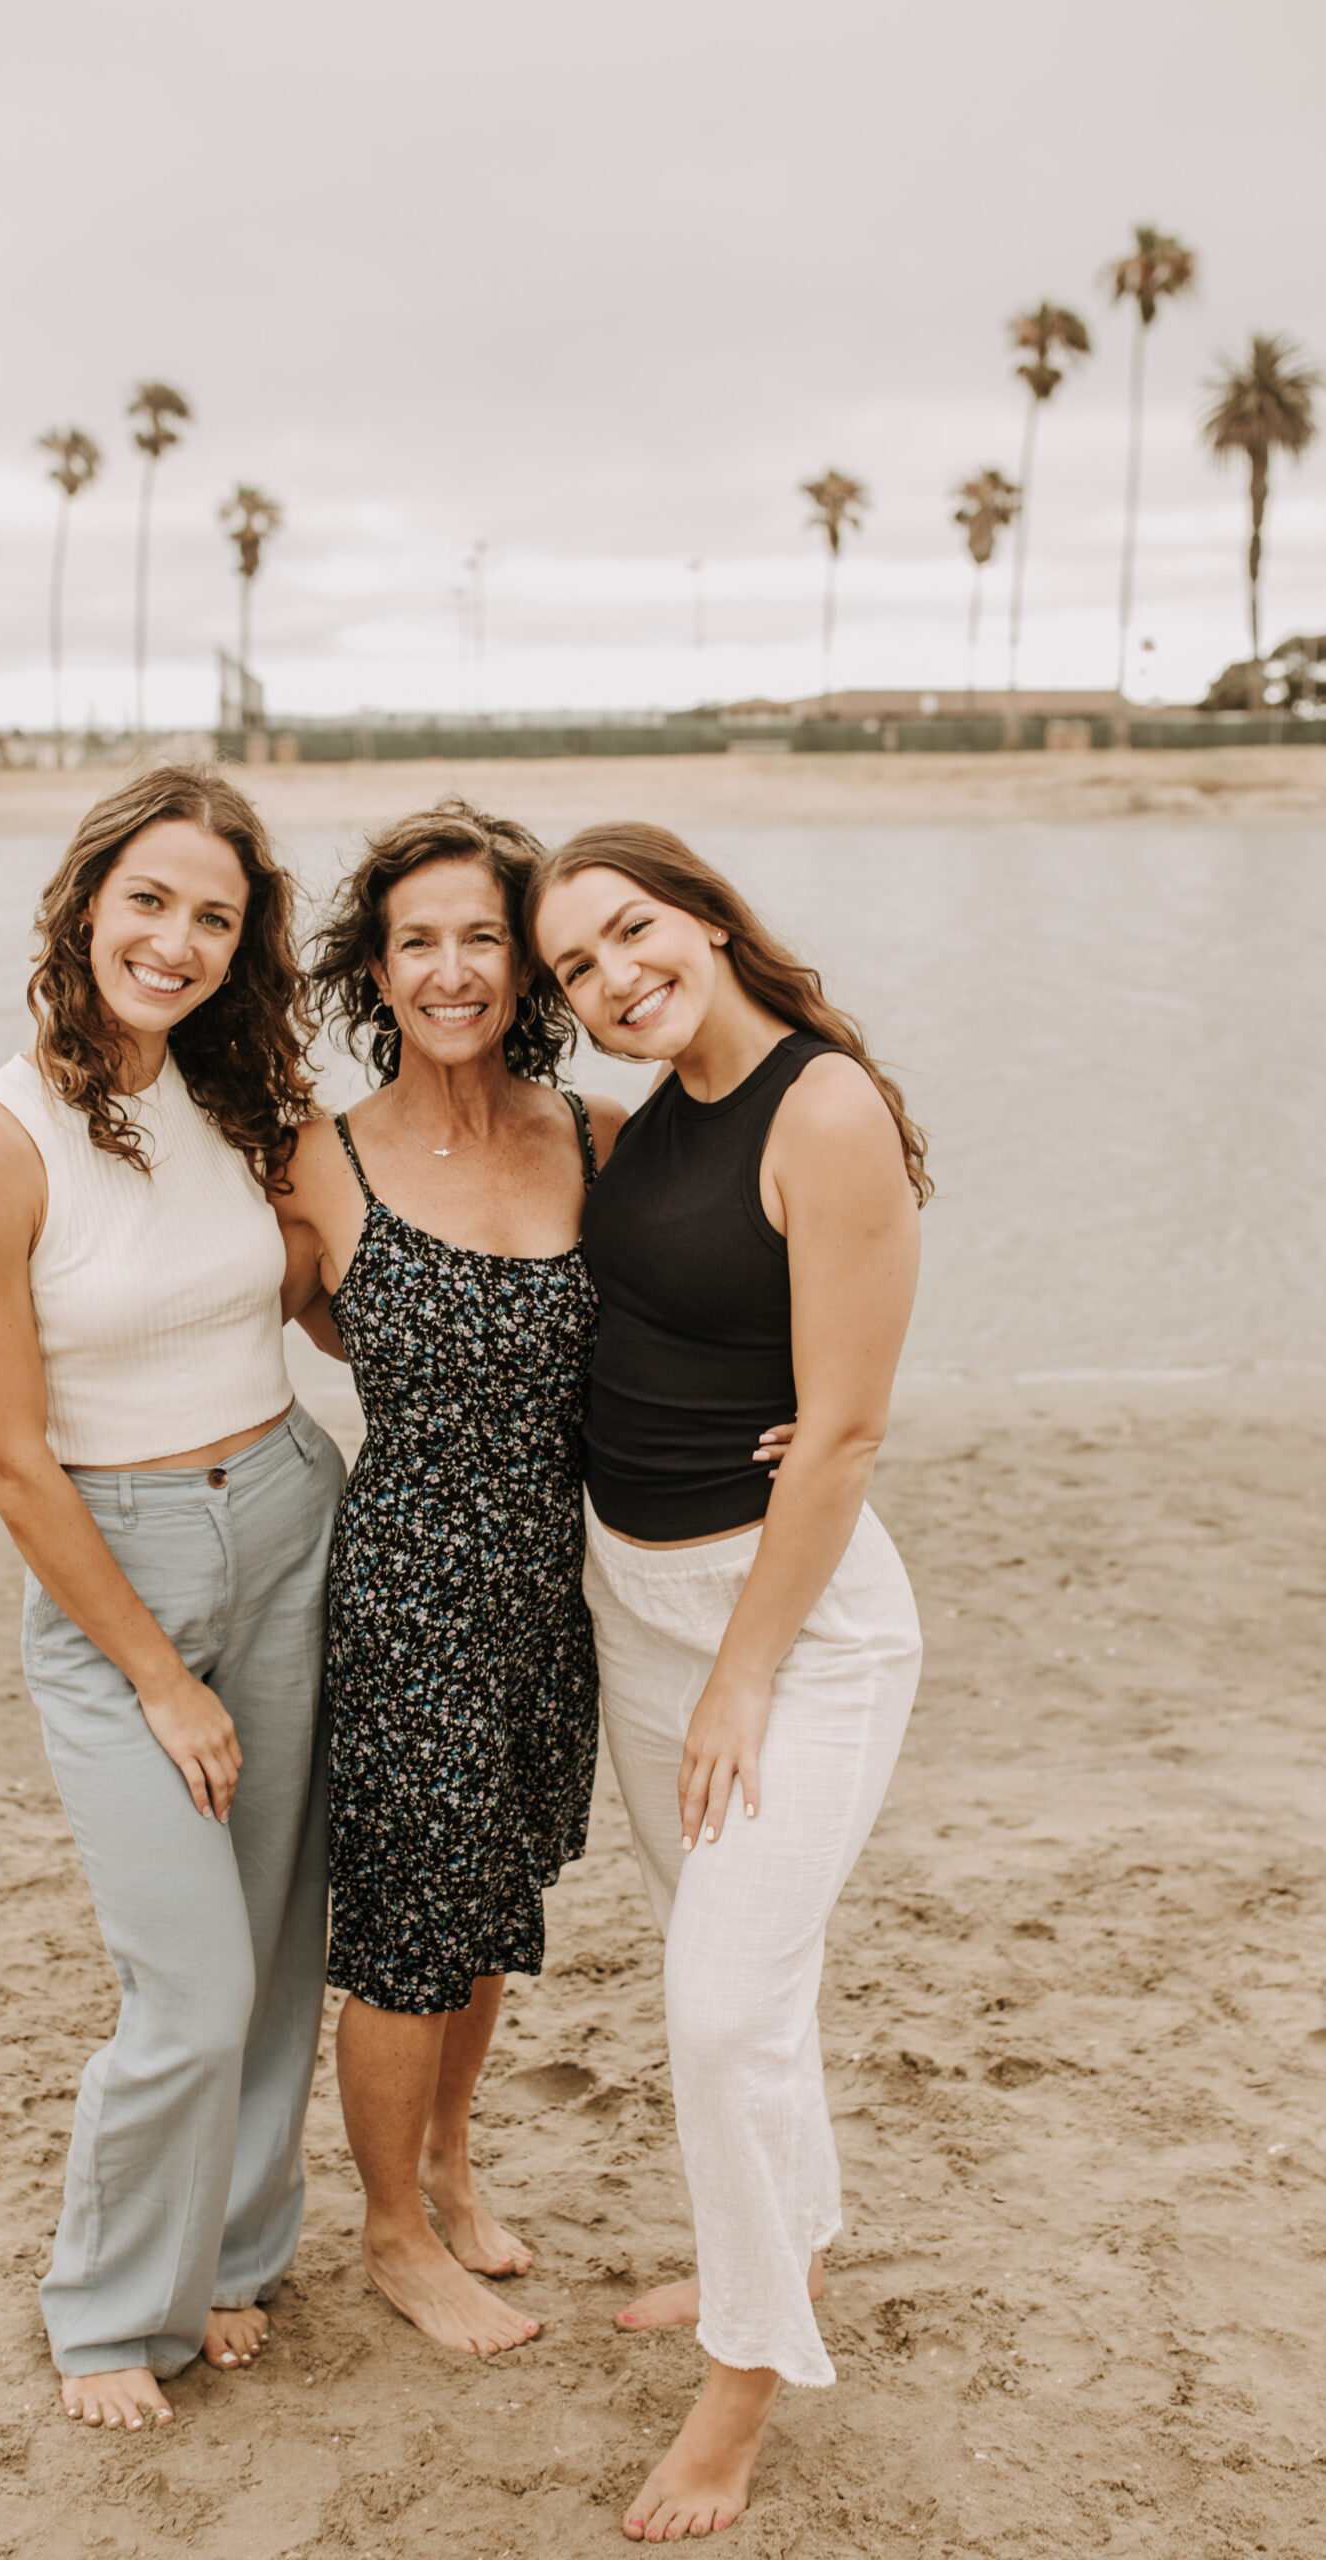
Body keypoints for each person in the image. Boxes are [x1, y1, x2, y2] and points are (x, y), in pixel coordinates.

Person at [0, 764, 345, 2435]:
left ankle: (228, 2261)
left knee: (274, 1942)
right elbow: (12, 1462)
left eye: (215, 918)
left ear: (244, 949)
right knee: (186, 1977)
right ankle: (109, 2310)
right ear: (85, 903)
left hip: (294, 1516)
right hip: (119, 1566)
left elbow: (323, 1306)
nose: (174, 941)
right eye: (150, 901)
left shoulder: (245, 1105)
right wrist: (159, 1679)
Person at [528, 823, 929, 2541]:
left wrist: (744, 1678)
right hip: (642, 1604)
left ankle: (743, 2384)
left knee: (713, 2005)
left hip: (793, 1628)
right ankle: (791, 2240)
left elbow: (841, 1429)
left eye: (632, 931)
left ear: (703, 914)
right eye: (578, 969)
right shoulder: (653, 1121)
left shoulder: (821, 1105)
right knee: (746, 1984)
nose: (616, 975)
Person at [273, 800, 623, 2358]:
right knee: (409, 1929)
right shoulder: (318, 1164)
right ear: (378, 968)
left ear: (526, 958)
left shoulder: (597, 1137)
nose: (451, 967)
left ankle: (451, 2161)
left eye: (482, 934)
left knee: (486, 1912)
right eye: (418, 940)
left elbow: (703, 1301)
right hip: (410, 1584)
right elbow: (238, 1329)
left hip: (555, 1591)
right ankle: (393, 2232)